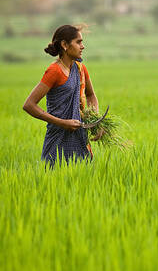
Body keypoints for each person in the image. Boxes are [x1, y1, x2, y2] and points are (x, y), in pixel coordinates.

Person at [22, 24, 101, 166]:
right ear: (64, 45)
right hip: (57, 138)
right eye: (78, 42)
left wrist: (96, 121)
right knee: (54, 181)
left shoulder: (80, 68)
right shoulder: (54, 71)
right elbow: (29, 105)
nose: (82, 46)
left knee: (82, 180)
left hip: (79, 137)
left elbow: (91, 96)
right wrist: (63, 123)